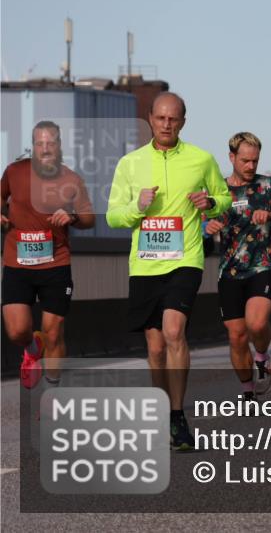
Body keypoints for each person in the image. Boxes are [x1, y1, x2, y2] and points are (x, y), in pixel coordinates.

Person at [107, 93, 232, 450]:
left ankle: (178, 414)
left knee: (174, 330)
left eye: (173, 119)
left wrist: (210, 203)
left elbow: (224, 198)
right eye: (160, 118)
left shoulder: (200, 160)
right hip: (145, 264)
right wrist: (137, 207)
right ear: (150, 118)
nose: (166, 124)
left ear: (183, 122)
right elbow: (114, 215)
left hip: (185, 259)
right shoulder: (130, 164)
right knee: (155, 346)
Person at [205, 132, 271, 401]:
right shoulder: (219, 191)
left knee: (257, 323)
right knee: (237, 336)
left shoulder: (269, 186)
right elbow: (200, 224)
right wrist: (208, 227)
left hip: (262, 266)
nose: (251, 166)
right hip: (229, 271)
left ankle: (261, 356)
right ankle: (248, 391)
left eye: (255, 161)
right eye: (245, 161)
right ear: (232, 158)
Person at [2, 121, 95, 389]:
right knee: (17, 329)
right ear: (33, 146)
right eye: (40, 144)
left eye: (50, 143)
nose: (45, 149)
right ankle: (32, 347)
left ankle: (51, 391)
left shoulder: (71, 179)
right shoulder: (14, 172)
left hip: (56, 263)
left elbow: (89, 218)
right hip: (17, 263)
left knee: (54, 331)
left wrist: (73, 216)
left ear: (59, 146)